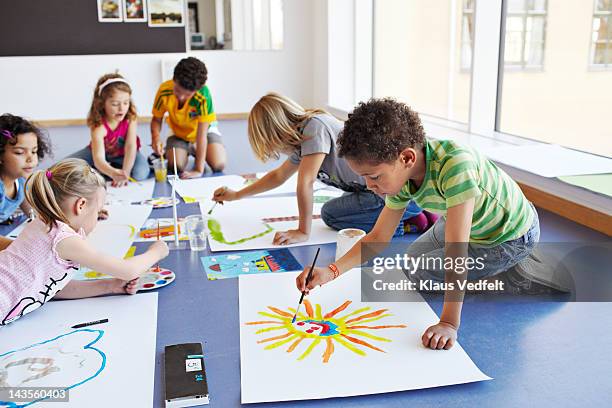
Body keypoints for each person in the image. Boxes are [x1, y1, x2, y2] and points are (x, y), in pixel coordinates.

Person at [297, 98, 554, 350]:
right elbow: (377, 238)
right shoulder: (400, 175)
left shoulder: (456, 166)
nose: (368, 186)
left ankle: (514, 270)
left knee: (425, 273)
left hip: (508, 235)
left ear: (406, 158)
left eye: (374, 177)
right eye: (364, 177)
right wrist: (329, 272)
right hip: (471, 223)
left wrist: (448, 323)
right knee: (412, 265)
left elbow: (457, 252)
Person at [212, 93, 429, 245]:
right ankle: (411, 212)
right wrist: (236, 195)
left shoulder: (314, 127)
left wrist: (303, 231)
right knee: (341, 210)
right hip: (370, 189)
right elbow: (278, 176)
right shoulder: (303, 140)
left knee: (331, 214)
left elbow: (305, 182)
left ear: (276, 130)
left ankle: (408, 220)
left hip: (387, 189)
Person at [0, 158, 169, 325]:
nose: (98, 217)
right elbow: (128, 270)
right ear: (80, 205)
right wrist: (156, 251)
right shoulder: (63, 239)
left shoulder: (40, 224)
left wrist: (110, 286)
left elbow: (50, 287)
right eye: (98, 210)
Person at [151, 57, 226, 178]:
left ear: (197, 90)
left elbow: (202, 135)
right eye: (178, 90)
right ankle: (178, 151)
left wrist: (198, 169)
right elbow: (156, 119)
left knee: (218, 164)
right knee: (176, 166)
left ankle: (196, 151)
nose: (181, 97)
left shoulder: (203, 96)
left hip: (204, 133)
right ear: (173, 79)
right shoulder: (164, 90)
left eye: (187, 94)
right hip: (178, 133)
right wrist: (155, 138)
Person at [71, 73, 150, 186]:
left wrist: (125, 172)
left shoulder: (130, 117)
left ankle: (106, 169)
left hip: (124, 154)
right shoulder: (98, 125)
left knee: (140, 173)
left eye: (126, 103)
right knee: (66, 166)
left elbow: (130, 146)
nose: (121, 108)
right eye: (115, 104)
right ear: (102, 104)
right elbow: (98, 157)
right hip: (100, 154)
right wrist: (113, 173)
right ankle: (106, 169)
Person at [0, 114, 50, 223]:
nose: (30, 159)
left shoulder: (21, 182)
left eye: (34, 151)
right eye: (20, 152)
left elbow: (34, 214)